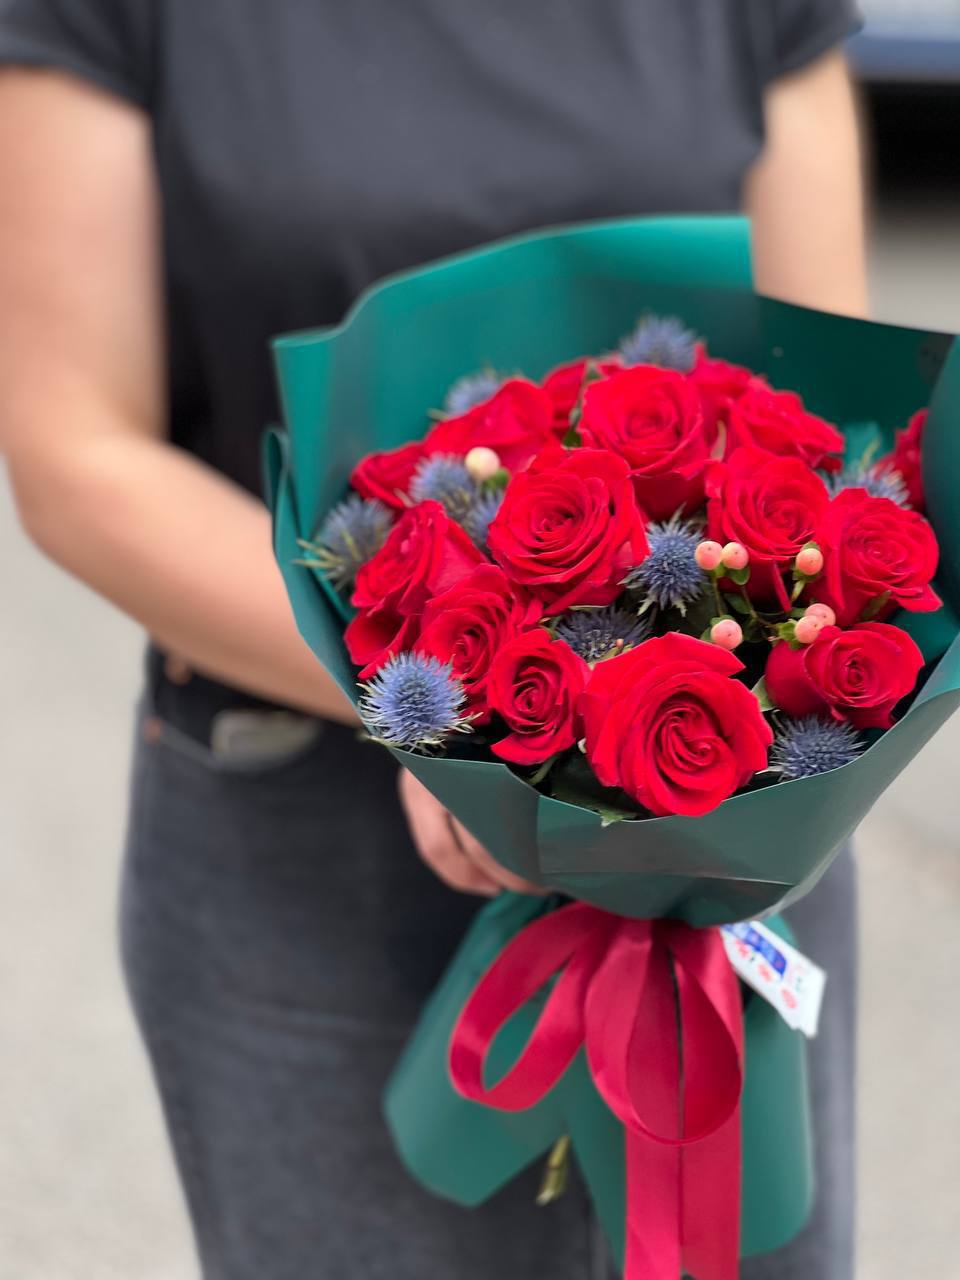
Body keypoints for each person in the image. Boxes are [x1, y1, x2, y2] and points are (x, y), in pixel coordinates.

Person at [0, 2, 866, 1277]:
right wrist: (467, 713)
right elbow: (76, 451)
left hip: (724, 818)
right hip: (308, 843)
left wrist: (680, 709)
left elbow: (826, 391)